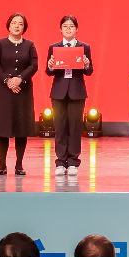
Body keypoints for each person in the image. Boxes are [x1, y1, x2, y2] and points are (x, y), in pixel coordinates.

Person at [0, 13, 39, 176]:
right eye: (14, 23)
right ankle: (2, 164)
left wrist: (20, 79)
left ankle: (19, 165)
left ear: (24, 27)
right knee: (3, 127)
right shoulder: (0, 44)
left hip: (23, 90)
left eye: (20, 24)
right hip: (4, 90)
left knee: (21, 127)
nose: (17, 26)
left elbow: (34, 65)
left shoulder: (29, 45)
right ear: (8, 25)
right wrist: (8, 80)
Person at [45, 15, 93, 177]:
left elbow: (89, 71)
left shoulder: (84, 47)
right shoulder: (54, 47)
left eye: (71, 26)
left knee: (75, 127)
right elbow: (48, 72)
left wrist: (86, 64)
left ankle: (73, 162)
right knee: (60, 127)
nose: (68, 29)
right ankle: (60, 162)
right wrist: (51, 66)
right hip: (59, 92)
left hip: (77, 91)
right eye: (65, 26)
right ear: (60, 29)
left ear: (76, 29)